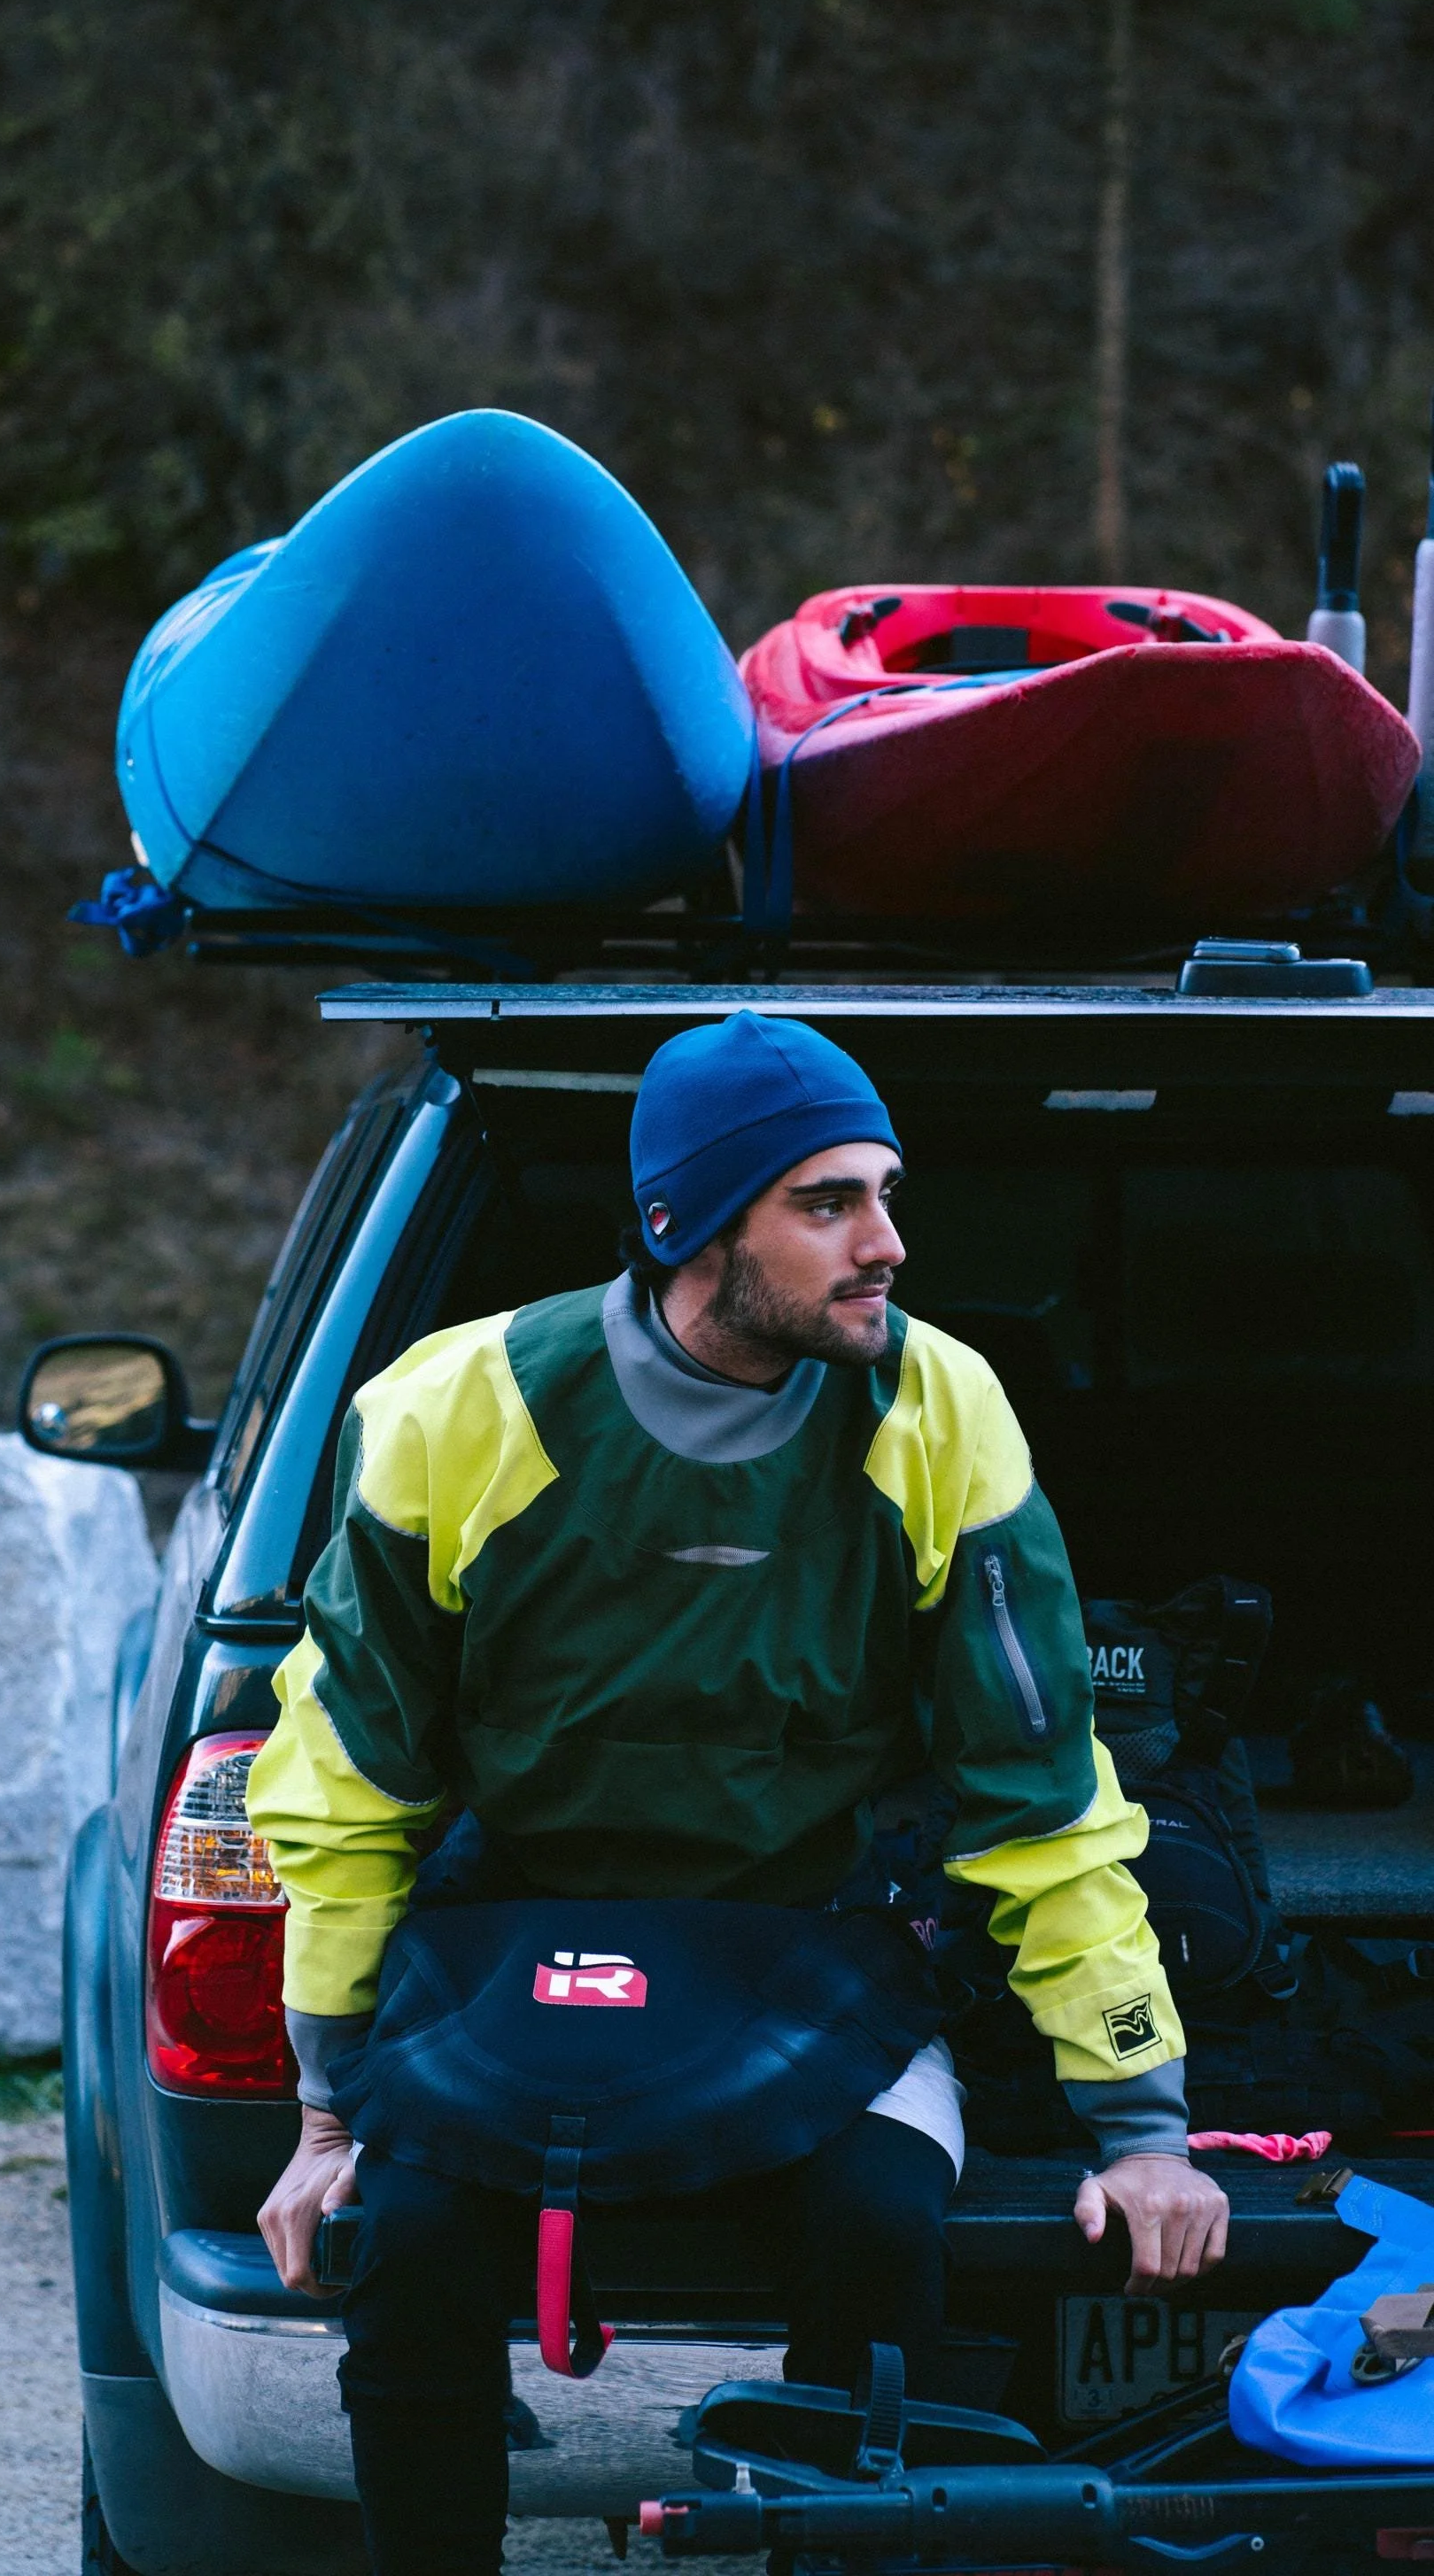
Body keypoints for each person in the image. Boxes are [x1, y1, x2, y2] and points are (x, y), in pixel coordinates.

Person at [251, 1010, 1228, 2576]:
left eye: (886, 1195)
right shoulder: (455, 1407)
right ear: (688, 1224)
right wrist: (321, 2104)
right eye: (828, 1202)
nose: (887, 1243)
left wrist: (1141, 2120)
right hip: (521, 1948)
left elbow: (1036, 1787)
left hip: (813, 1945)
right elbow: (350, 1779)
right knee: (414, 2251)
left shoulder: (935, 1405)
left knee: (885, 2229)